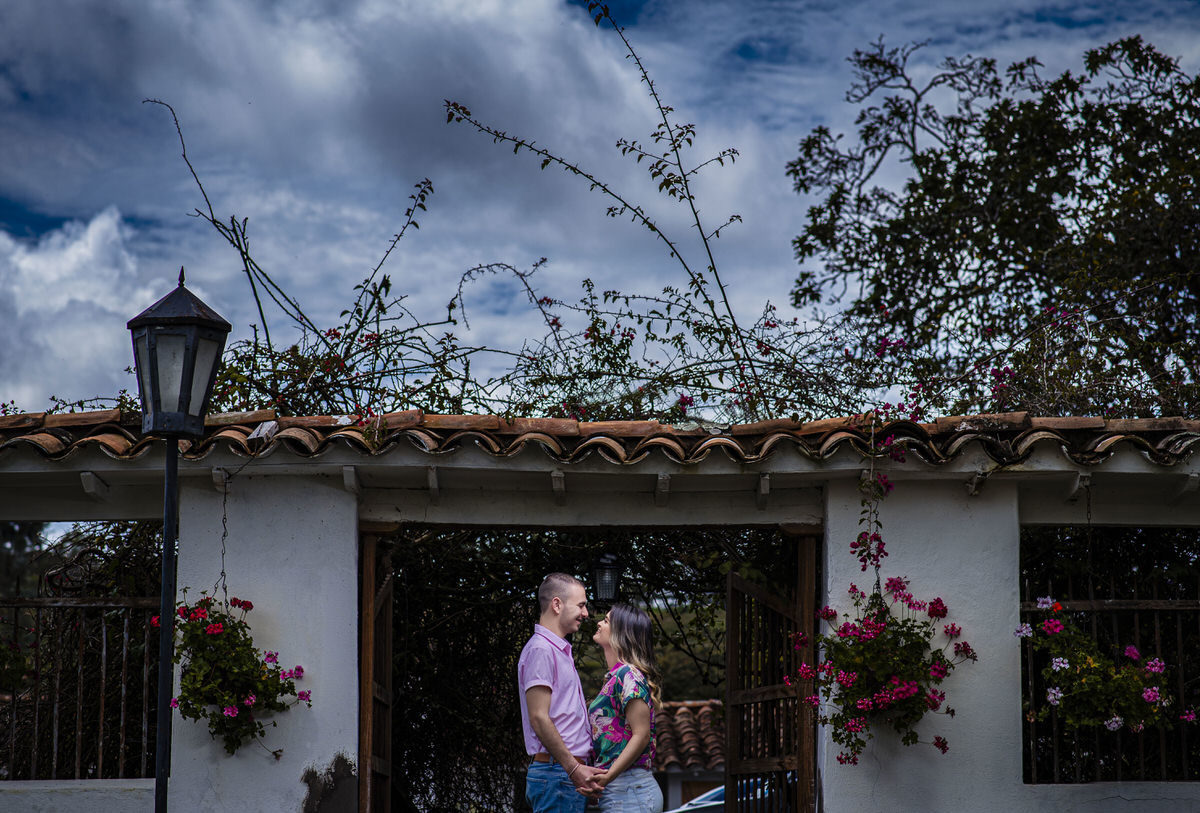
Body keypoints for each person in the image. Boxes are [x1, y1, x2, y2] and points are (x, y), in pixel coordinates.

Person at [519, 573, 607, 812]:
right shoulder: (541, 650)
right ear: (557, 604)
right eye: (581, 605)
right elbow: (538, 717)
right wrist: (574, 769)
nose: (586, 613)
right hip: (557, 774)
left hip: (561, 775)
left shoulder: (557, 650)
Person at [587, 602, 664, 812]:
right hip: (623, 789)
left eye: (606, 620)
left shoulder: (627, 675)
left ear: (621, 633)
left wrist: (608, 777)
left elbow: (641, 735)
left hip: (630, 789)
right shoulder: (615, 677)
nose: (599, 623)